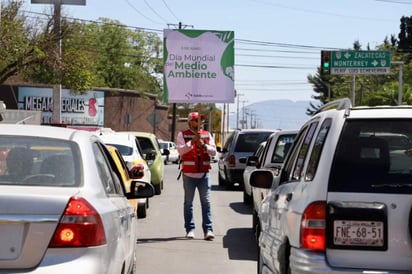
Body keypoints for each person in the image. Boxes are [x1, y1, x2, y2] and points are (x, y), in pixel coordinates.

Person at [176, 111, 217, 240]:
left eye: (200, 120)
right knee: (188, 203)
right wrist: (192, 142)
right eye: (196, 120)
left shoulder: (206, 135)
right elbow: (181, 150)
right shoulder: (182, 135)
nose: (199, 123)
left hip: (204, 175)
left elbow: (214, 152)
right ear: (190, 122)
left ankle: (208, 230)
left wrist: (204, 145)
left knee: (206, 202)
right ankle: (190, 229)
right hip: (189, 175)